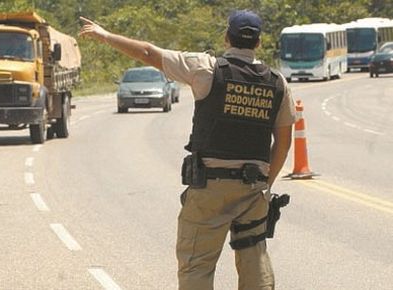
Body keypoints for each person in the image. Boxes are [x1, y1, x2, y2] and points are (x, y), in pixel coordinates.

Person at [79, 9, 296, 290]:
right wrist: (267, 183)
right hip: (253, 188)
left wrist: (106, 36)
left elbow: (148, 52)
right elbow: (284, 140)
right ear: (258, 43)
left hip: (210, 188)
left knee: (197, 265)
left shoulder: (206, 69)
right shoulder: (277, 83)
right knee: (255, 261)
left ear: (226, 37)